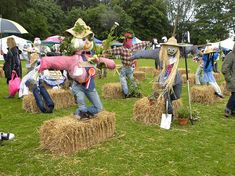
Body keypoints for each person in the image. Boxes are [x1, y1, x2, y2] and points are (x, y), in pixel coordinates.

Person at [38, 18, 116, 119]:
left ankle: (81, 113)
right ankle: (82, 112)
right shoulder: (72, 59)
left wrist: (111, 63)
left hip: (90, 86)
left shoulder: (92, 56)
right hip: (78, 86)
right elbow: (58, 60)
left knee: (99, 109)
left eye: (88, 39)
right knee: (81, 102)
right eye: (83, 39)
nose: (87, 42)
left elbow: (104, 61)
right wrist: (44, 62)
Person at [104, 32, 151, 98]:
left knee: (123, 79)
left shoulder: (122, 49)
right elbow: (142, 44)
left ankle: (126, 93)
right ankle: (136, 91)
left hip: (124, 68)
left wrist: (105, 51)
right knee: (131, 80)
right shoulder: (134, 47)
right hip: (130, 68)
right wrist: (148, 42)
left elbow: (112, 51)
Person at [157, 36, 182, 115]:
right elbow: (146, 54)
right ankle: (169, 113)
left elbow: (191, 49)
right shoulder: (162, 56)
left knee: (176, 96)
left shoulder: (177, 57)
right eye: (169, 48)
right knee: (167, 97)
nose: (171, 51)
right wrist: (134, 56)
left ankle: (169, 101)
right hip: (165, 78)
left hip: (176, 78)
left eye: (173, 49)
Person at [222, 44, 235, 117]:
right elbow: (224, 69)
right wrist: (230, 79)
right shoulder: (231, 55)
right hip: (233, 80)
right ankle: (228, 109)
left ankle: (233, 110)